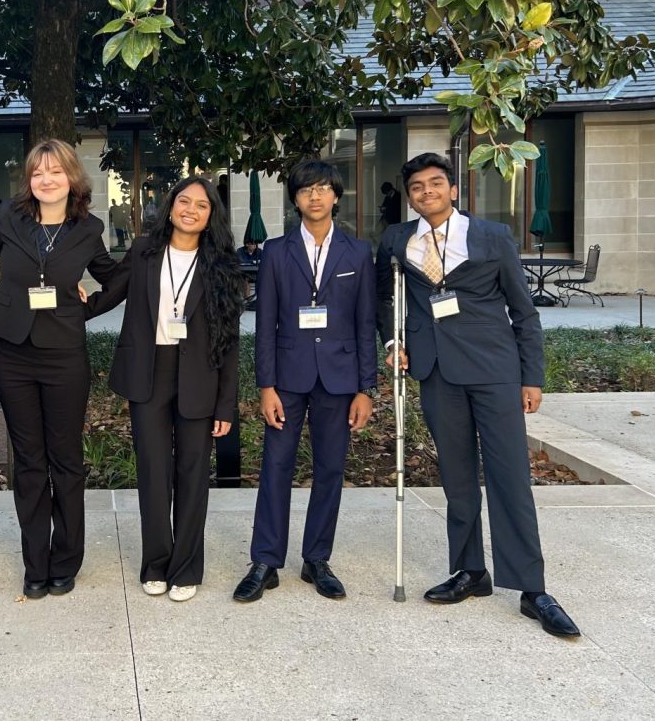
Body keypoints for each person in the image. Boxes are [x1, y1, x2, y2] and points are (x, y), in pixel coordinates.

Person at [375, 152, 579, 638]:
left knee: (510, 476)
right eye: (418, 188)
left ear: (453, 189)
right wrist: (393, 340)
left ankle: (532, 589)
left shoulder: (491, 236)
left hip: (494, 370)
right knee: (457, 476)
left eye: (436, 184)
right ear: (410, 197)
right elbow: (384, 298)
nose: (427, 193)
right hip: (437, 371)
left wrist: (533, 377)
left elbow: (523, 311)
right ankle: (471, 571)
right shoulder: (398, 240)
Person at [88, 177, 244, 602]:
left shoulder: (222, 264)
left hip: (200, 377)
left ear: (212, 215)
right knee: (154, 472)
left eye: (202, 205)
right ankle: (155, 563)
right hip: (149, 372)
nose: (190, 209)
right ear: (170, 206)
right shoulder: (143, 251)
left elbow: (229, 342)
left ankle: (187, 568)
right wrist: (70, 306)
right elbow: (111, 294)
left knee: (193, 474)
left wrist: (225, 406)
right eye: (183, 201)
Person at [0, 138, 118, 599]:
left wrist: (87, 307)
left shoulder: (88, 228)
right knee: (29, 462)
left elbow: (117, 276)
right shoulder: (9, 218)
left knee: (65, 460)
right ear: (29, 180)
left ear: (71, 177)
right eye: (38, 173)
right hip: (15, 353)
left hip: (63, 355)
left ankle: (66, 559)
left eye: (55, 172)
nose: (46, 180)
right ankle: (34, 562)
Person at [233, 161, 376, 604]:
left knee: (330, 468)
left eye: (322, 189)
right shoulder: (277, 251)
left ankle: (317, 558)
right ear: (295, 200)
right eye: (305, 190)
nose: (314, 197)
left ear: (336, 196)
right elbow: (267, 323)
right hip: (288, 379)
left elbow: (365, 321)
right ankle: (265, 560)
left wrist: (366, 389)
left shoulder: (357, 253)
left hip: (340, 378)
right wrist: (265, 386)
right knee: (276, 466)